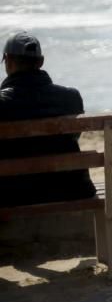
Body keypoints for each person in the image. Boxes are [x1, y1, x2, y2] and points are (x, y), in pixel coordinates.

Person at [0, 30, 97, 207]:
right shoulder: (71, 98)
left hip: (13, 195)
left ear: (8, 61)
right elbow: (74, 136)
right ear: (41, 61)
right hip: (73, 188)